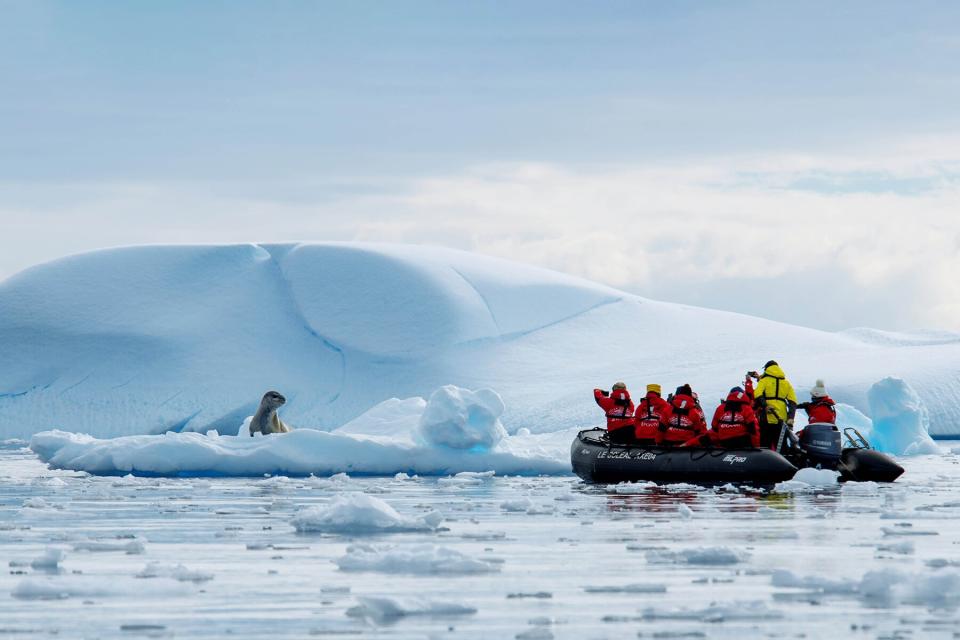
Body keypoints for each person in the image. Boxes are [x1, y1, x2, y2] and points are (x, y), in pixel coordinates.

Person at [682, 387, 760, 448]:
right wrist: (756, 448)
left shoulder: (720, 408)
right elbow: (754, 430)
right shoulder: (747, 409)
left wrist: (688, 444)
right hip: (743, 446)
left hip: (724, 445)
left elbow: (714, 430)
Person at [748, 360, 798, 451]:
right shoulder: (786, 383)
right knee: (781, 445)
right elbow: (793, 402)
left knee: (765, 445)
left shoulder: (764, 380)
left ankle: (764, 463)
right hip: (781, 418)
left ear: (767, 369)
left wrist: (765, 405)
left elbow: (757, 394)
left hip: (767, 416)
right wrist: (791, 417)